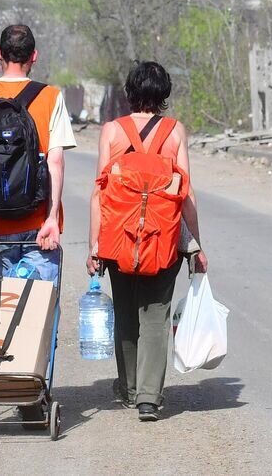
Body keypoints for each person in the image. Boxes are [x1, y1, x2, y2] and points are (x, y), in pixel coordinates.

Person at [87, 61, 208, 422]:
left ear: (129, 92)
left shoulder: (111, 131)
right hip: (163, 236)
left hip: (119, 236)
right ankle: (149, 399)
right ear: (164, 94)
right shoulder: (174, 132)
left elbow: (99, 193)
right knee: (156, 314)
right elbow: (186, 194)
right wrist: (196, 244)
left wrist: (94, 246)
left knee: (125, 312)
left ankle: (128, 389)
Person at [0, 23, 77, 282]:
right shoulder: (50, 96)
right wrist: (52, 218)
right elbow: (55, 162)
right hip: (39, 224)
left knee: (5, 309)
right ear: (34, 56)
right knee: (40, 312)